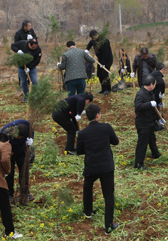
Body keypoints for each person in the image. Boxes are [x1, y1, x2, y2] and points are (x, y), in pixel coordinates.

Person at [77, 104, 120, 234]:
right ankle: (108, 226)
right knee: (108, 196)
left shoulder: (82, 133)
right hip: (106, 166)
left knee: (88, 186)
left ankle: (88, 211)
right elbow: (115, 142)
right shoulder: (106, 127)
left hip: (91, 165)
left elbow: (79, 151)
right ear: (97, 115)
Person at [0, 120, 34, 204]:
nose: (18, 138)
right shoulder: (5, 132)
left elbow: (31, 130)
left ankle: (25, 193)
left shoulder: (26, 125)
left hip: (21, 152)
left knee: (24, 172)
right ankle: (9, 194)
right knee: (9, 174)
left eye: (20, 137)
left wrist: (31, 138)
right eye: (17, 136)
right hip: (9, 154)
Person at [134, 75, 162, 169]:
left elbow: (154, 109)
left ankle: (155, 154)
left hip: (150, 121)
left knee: (152, 139)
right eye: (154, 84)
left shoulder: (150, 92)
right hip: (143, 123)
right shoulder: (140, 94)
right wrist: (149, 104)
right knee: (142, 144)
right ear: (151, 84)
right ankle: (138, 164)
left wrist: (159, 118)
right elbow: (138, 107)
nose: (155, 86)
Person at [86, 29, 113, 95]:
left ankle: (108, 89)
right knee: (99, 74)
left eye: (93, 37)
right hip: (100, 59)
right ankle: (103, 89)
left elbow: (106, 54)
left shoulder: (104, 41)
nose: (93, 39)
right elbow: (90, 43)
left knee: (104, 74)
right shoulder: (94, 40)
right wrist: (87, 49)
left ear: (97, 34)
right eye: (92, 38)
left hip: (107, 59)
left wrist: (103, 64)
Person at [151, 63, 166, 130]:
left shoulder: (154, 73)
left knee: (156, 106)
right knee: (154, 109)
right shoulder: (157, 74)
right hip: (152, 94)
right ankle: (156, 123)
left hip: (152, 93)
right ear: (162, 69)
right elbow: (161, 83)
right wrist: (162, 92)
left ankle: (159, 119)